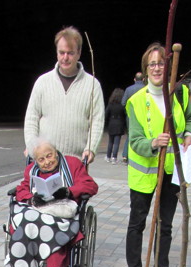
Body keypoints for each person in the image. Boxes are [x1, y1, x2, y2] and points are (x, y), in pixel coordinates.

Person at [125, 42, 191, 267]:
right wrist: (154, 142)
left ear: (168, 66)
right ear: (146, 69)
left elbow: (190, 118)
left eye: (161, 63)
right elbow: (134, 140)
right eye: (152, 64)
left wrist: (188, 133)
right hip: (143, 173)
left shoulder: (180, 93)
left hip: (171, 170)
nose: (157, 68)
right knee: (138, 222)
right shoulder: (135, 101)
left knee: (165, 223)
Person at [2, 140, 98, 267]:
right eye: (41, 159)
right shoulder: (31, 171)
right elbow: (22, 190)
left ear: (56, 152)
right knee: (23, 221)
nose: (47, 162)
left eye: (50, 156)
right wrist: (33, 198)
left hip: (61, 213)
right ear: (36, 161)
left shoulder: (72, 164)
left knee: (48, 225)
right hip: (37, 211)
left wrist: (68, 191)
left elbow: (90, 186)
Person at [23, 26, 105, 164]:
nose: (65, 58)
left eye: (70, 53)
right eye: (61, 52)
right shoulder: (42, 82)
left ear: (79, 53)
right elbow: (31, 118)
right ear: (56, 53)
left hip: (76, 163)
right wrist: (32, 146)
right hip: (45, 162)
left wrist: (91, 149)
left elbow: (97, 121)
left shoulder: (92, 85)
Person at [121, 72, 145, 163]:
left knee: (130, 135)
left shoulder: (128, 89)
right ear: (143, 79)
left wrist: (129, 111)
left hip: (130, 116)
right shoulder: (146, 89)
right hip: (143, 115)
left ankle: (125, 155)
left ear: (134, 79)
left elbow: (123, 102)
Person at [105, 88, 127, 163]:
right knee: (117, 142)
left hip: (111, 123)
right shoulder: (122, 105)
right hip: (119, 124)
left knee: (110, 142)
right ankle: (114, 157)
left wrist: (107, 123)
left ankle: (108, 156)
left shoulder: (110, 105)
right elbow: (125, 115)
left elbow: (106, 114)